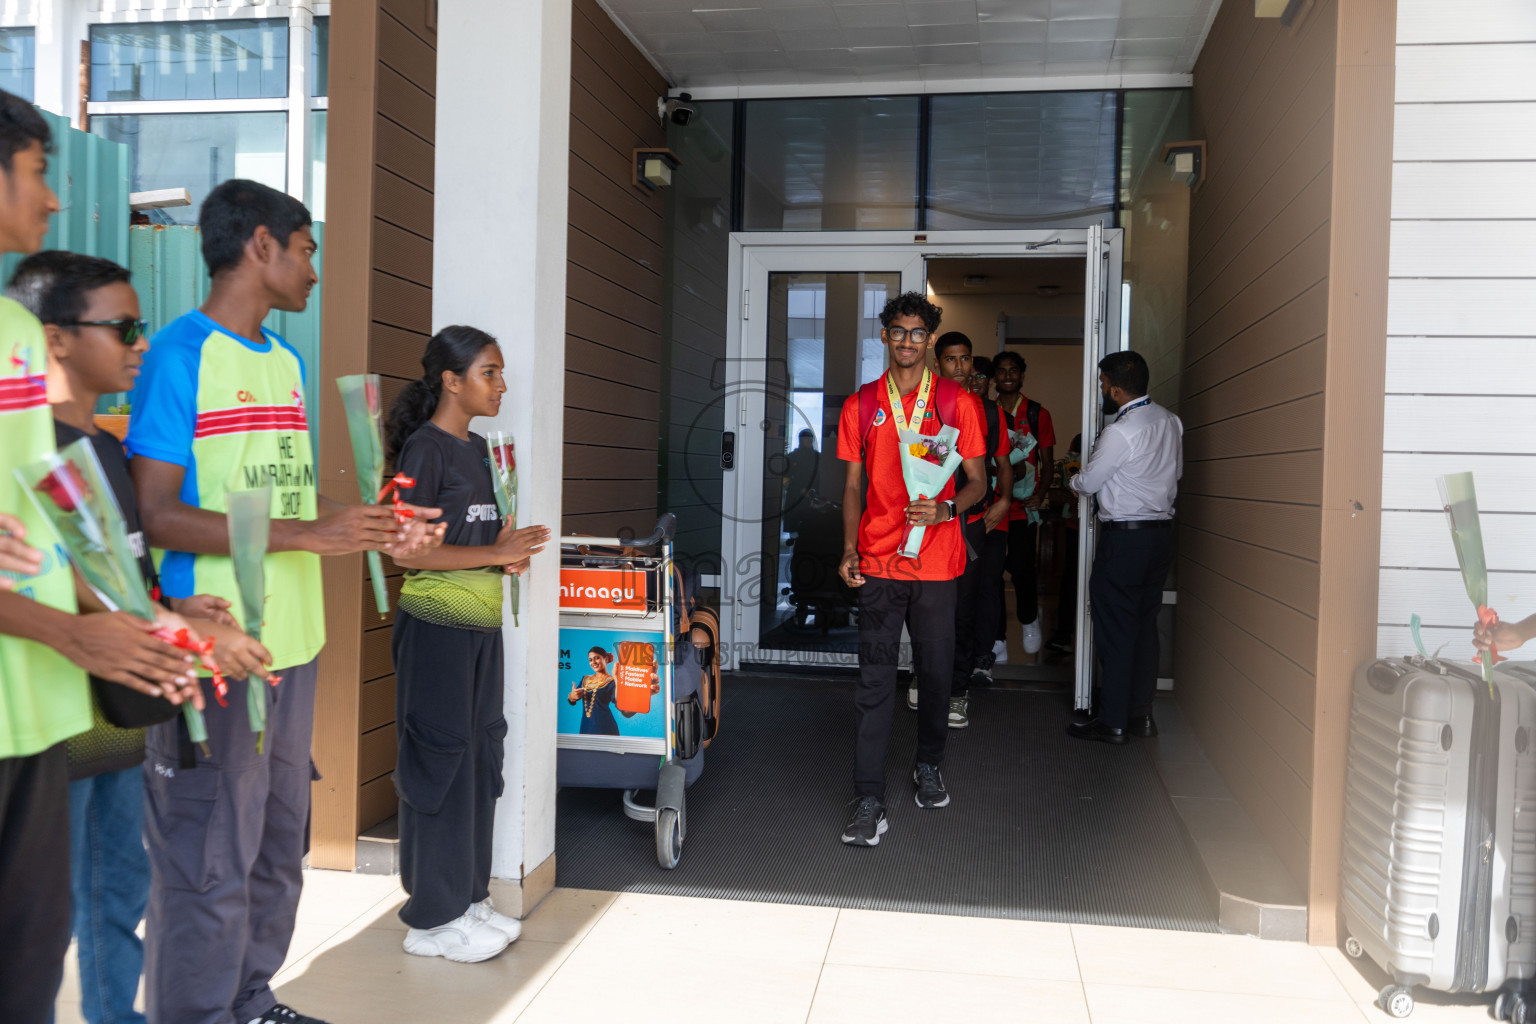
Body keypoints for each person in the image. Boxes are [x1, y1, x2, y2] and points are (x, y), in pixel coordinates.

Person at [127, 179, 444, 1024]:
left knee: (276, 844)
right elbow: (156, 511)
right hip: (215, 647)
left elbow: (284, 507)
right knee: (208, 853)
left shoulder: (288, 362)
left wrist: (364, 526)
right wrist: (309, 537)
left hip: (293, 645)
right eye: (306, 250)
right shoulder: (178, 354)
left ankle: (251, 999)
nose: (314, 269)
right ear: (260, 244)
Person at [10, 251, 271, 1024]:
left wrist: (184, 611)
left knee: (115, 900)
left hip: (122, 714)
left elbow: (116, 577)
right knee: (43, 926)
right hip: (54, 720)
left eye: (142, 326)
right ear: (54, 339)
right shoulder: (33, 453)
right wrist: (181, 633)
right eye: (122, 326)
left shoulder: (107, 449)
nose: (140, 344)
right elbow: (59, 590)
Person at [0, 91, 205, 1024]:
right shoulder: (34, 391)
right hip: (53, 687)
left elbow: (82, 558)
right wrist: (82, 632)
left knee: (60, 933)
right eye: (39, 171)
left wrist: (165, 622)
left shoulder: (87, 433)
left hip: (64, 706)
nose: (49, 198)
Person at [383, 324, 549, 964]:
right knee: (439, 764)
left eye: (502, 372)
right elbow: (403, 551)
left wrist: (504, 558)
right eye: (490, 372)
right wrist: (492, 553)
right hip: (434, 629)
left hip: (480, 628)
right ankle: (430, 918)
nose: (502, 384)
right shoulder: (425, 450)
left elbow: (475, 546)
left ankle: (467, 898)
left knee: (480, 758)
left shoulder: (480, 450)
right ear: (450, 380)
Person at [835, 292, 986, 846]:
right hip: (877, 561)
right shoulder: (862, 404)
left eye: (917, 333)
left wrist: (948, 508)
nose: (906, 342)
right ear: (883, 336)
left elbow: (979, 481)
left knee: (936, 674)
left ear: (930, 339)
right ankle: (868, 796)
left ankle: (928, 764)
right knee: (873, 680)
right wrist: (849, 547)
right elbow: (852, 485)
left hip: (938, 562)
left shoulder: (956, 402)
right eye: (897, 332)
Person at [1067, 351, 1182, 744]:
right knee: (1144, 628)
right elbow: (1175, 472)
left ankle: (1112, 720)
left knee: (1115, 627)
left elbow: (1091, 482)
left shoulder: (1121, 431)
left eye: (1101, 384)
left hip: (1126, 538)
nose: (1101, 390)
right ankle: (1140, 715)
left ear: (1115, 389)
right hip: (1160, 535)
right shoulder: (1170, 421)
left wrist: (1073, 481)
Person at [933, 332, 1012, 728]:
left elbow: (999, 465)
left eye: (966, 360)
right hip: (927, 521)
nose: (960, 367)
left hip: (968, 522)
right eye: (951, 360)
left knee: (963, 608)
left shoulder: (989, 411)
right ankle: (925, 676)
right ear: (939, 364)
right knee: (927, 608)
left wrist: (1003, 500)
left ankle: (957, 690)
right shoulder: (923, 408)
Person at [993, 350, 1055, 657]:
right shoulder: (985, 411)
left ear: (1021, 375)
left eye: (1013, 371)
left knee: (1021, 569)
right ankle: (997, 637)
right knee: (990, 573)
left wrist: (1040, 494)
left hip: (1022, 510)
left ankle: (1029, 620)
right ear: (994, 377)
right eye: (1001, 371)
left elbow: (1048, 463)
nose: (1007, 376)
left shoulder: (1036, 413)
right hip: (991, 507)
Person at [782, 428, 819, 535]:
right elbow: (785, 479)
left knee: (811, 529)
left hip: (812, 497)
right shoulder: (792, 457)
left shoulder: (818, 457)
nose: (808, 440)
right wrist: (800, 489)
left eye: (810, 437)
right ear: (800, 440)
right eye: (805, 437)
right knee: (794, 529)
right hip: (795, 496)